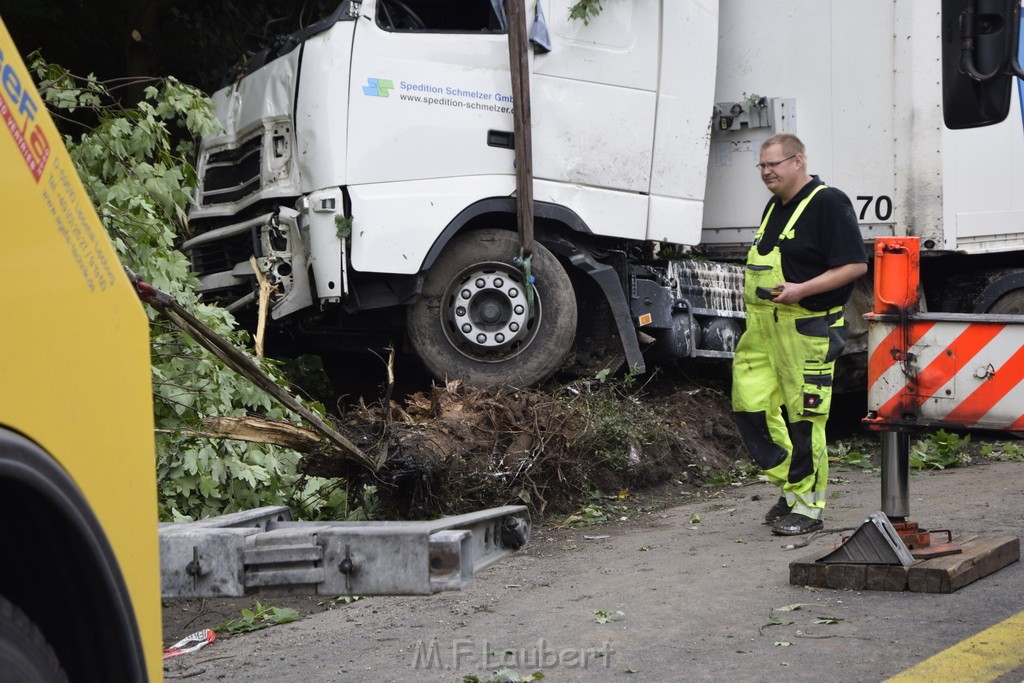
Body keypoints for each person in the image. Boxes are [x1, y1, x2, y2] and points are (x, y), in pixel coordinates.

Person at [731, 133, 868, 536]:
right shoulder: (775, 206)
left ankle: (808, 507)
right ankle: (793, 486)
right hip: (763, 331)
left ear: (798, 161)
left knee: (805, 420)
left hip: (806, 330)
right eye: (762, 165)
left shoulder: (828, 202)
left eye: (774, 164)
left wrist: (802, 290)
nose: (767, 172)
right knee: (750, 408)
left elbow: (855, 266)